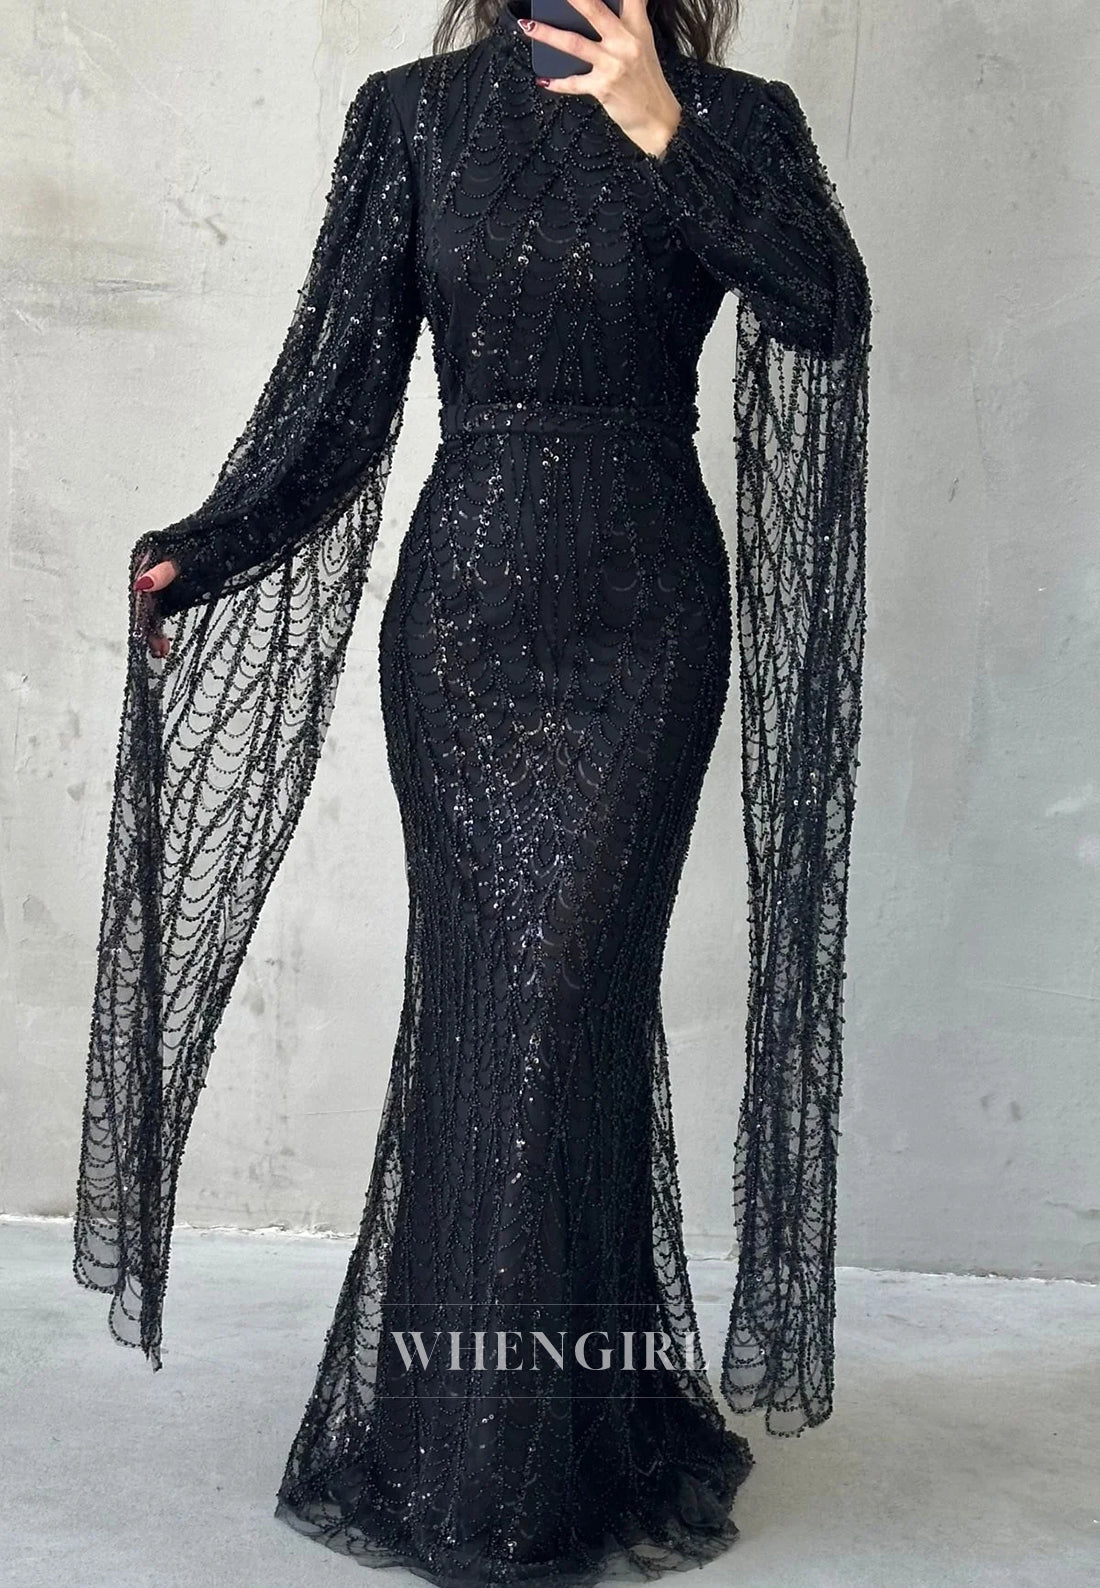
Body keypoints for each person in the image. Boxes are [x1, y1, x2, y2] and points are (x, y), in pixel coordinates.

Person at [74, 0, 872, 1582]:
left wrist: (665, 128)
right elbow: (340, 397)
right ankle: (465, 1452)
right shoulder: (413, 115)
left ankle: (560, 1441)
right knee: (487, 1011)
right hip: (463, 627)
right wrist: (207, 548)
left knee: (572, 1006)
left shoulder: (740, 121)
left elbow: (826, 308)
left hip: (647, 622)